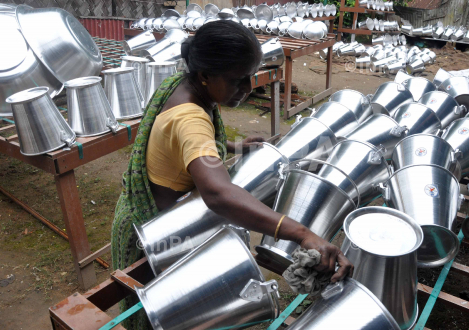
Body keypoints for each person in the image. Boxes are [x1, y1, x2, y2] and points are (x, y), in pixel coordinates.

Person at [111, 20, 353, 329]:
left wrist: (231, 146)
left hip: (158, 216)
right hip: (158, 238)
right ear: (205, 76)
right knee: (157, 318)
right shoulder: (190, 119)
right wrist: (303, 234)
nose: (248, 88)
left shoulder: (179, 85)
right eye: (238, 80)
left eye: (251, 76)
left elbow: (182, 140)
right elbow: (218, 193)